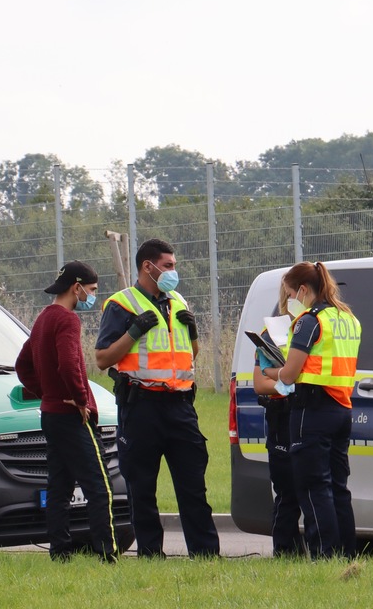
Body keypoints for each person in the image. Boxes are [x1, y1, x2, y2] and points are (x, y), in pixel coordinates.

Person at [95, 238, 220, 558]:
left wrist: (193, 335)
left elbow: (189, 355)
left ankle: (205, 554)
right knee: (142, 487)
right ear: (147, 267)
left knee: (193, 486)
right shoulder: (120, 304)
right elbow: (103, 358)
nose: (173, 272)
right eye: (168, 266)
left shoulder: (177, 300)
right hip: (141, 407)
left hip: (180, 406)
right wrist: (133, 332)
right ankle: (151, 554)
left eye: (174, 265)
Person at [14, 260, 118, 563]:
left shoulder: (43, 317)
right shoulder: (68, 320)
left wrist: (46, 393)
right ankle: (106, 555)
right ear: (77, 287)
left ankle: (60, 552)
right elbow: (69, 364)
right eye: (92, 290)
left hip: (50, 414)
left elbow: (22, 364)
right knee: (100, 487)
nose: (93, 295)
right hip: (72, 416)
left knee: (58, 488)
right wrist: (80, 399)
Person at [262, 261, 362, 559]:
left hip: (311, 410)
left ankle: (324, 555)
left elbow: (290, 374)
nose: (291, 299)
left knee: (312, 486)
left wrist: (271, 373)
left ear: (303, 290)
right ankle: (346, 554)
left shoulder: (309, 320)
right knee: (339, 487)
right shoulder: (348, 318)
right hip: (341, 407)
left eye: (291, 293)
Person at [252, 296, 304, 556]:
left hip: (309, 411)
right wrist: (289, 384)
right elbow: (260, 384)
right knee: (287, 490)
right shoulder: (270, 334)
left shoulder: (314, 326)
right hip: (282, 415)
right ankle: (286, 551)